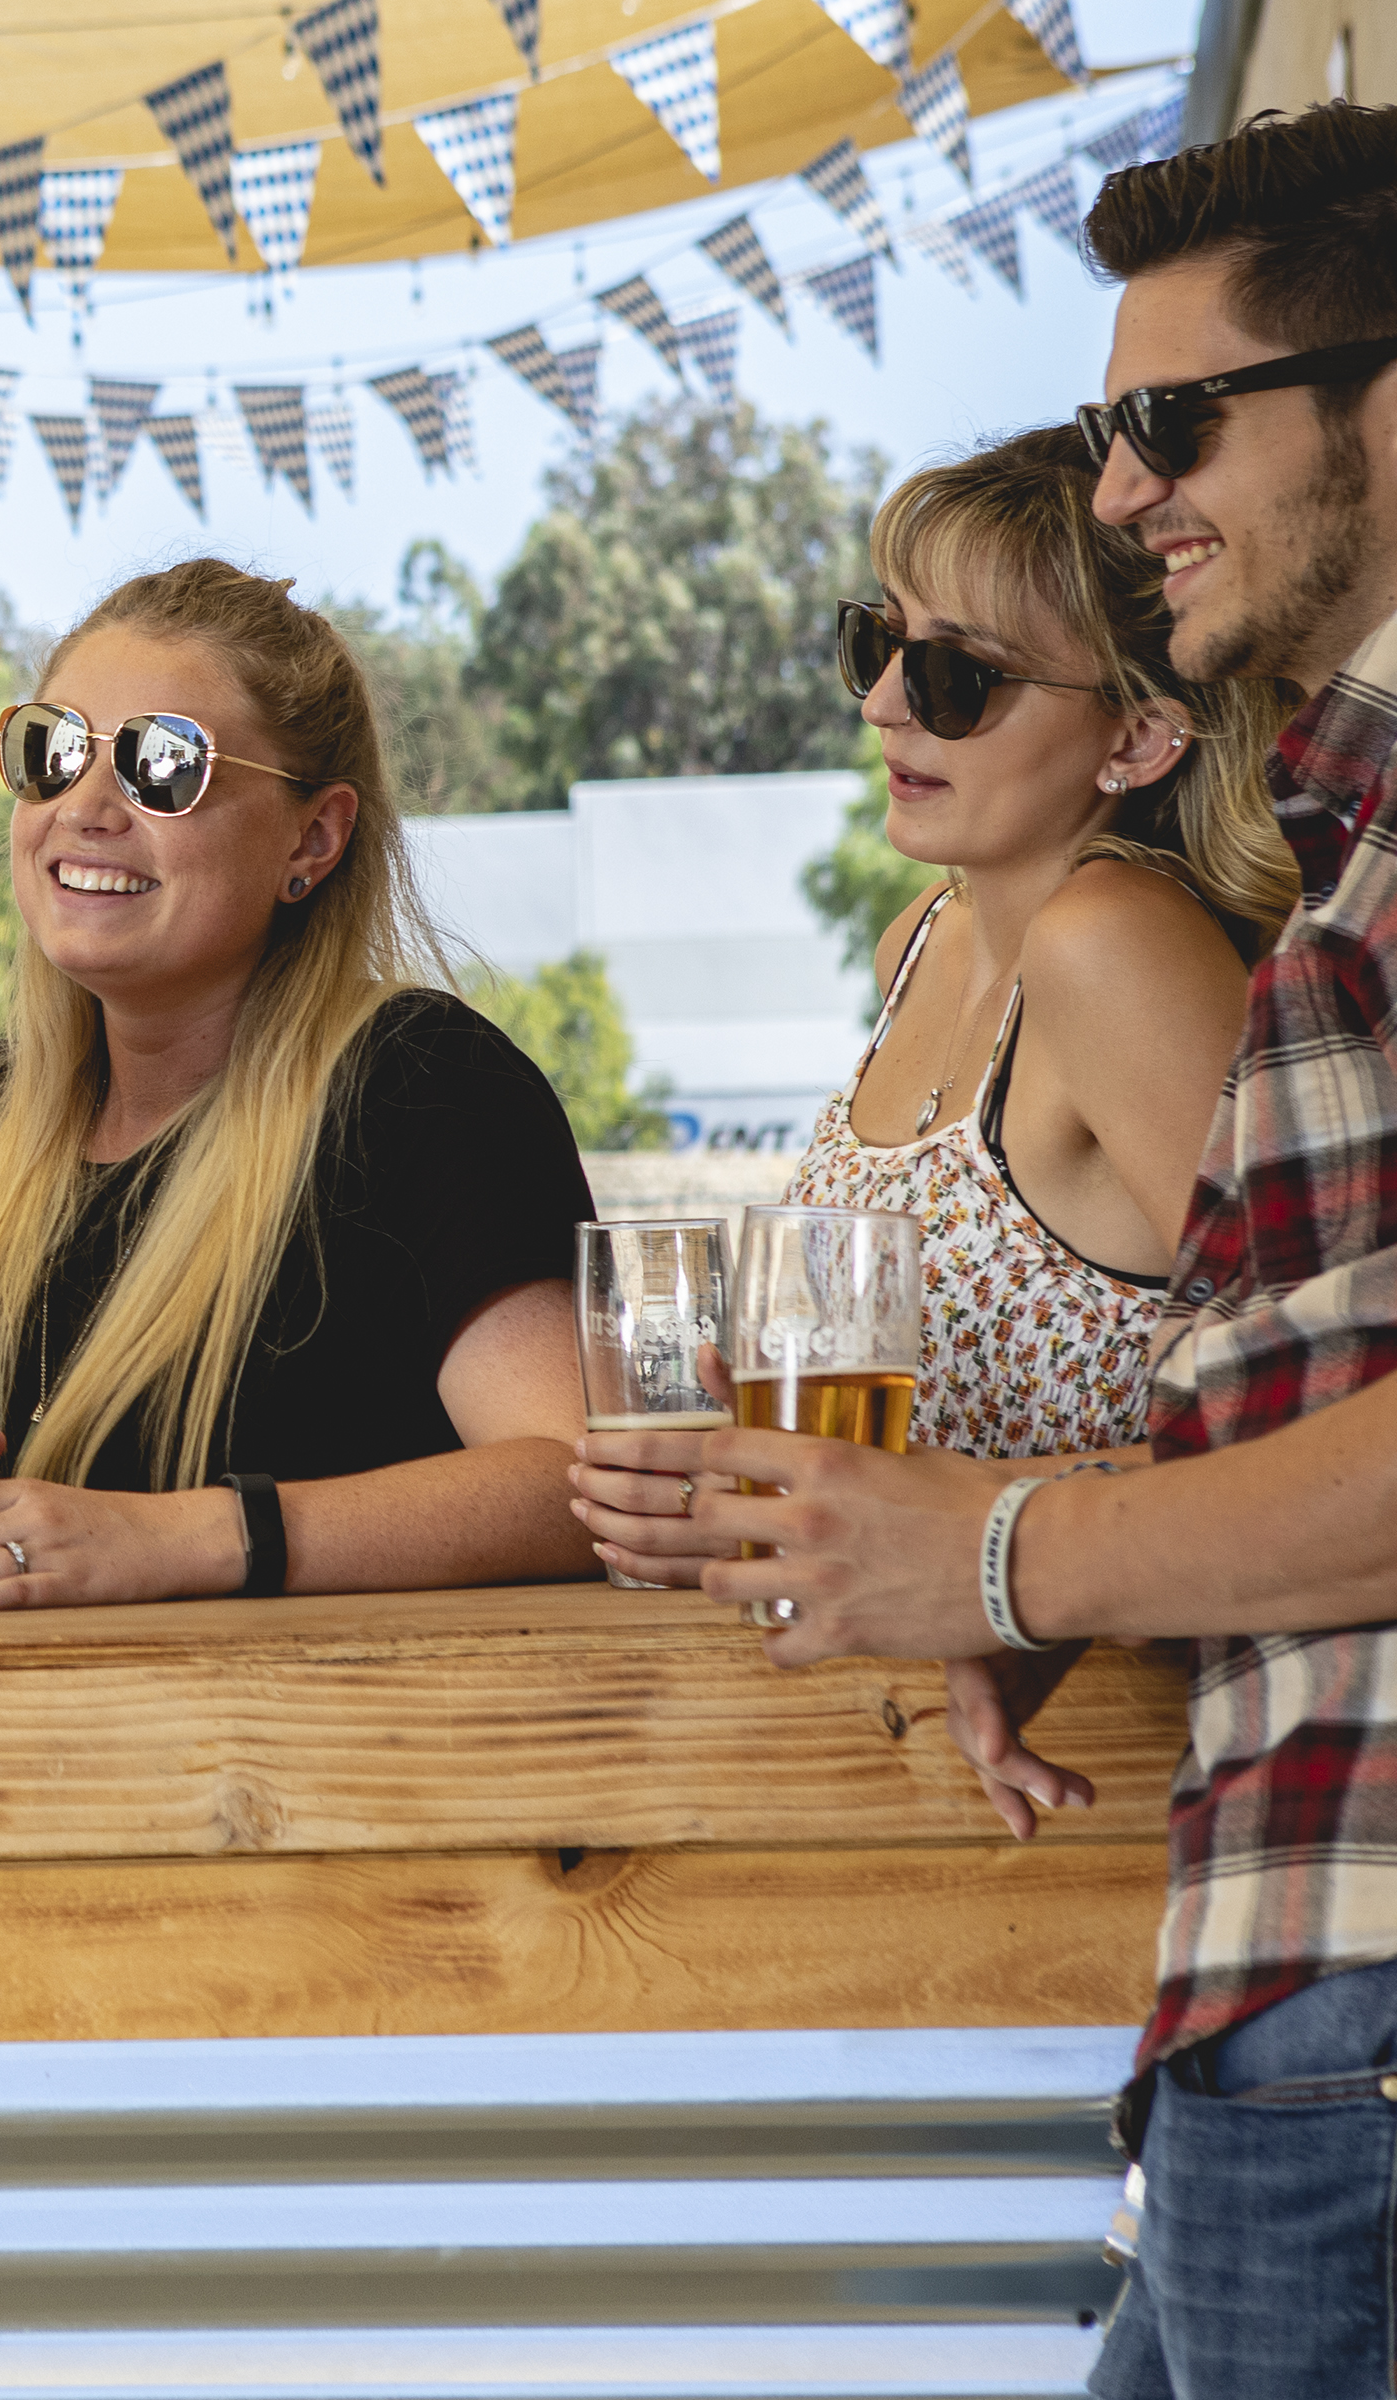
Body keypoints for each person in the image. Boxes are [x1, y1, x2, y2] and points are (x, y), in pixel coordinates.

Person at [671, 104, 1397, 2400]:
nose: (1118, 490)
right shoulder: (1345, 839)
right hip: (1275, 1942)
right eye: (1103, 435)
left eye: (1170, 423)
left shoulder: (1138, 930)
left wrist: (998, 1559)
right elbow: (1262, 1373)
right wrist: (990, 1564)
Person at [0, 560, 599, 1609]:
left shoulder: (422, 1089)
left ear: (315, 836)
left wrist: (181, 1537)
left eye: (166, 766)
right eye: (52, 751)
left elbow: (575, 1484)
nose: (86, 808)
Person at [576, 425, 1294, 1583]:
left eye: (962, 675)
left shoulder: (1109, 945)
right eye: (881, 641)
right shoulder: (919, 942)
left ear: (1141, 732)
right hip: (911, 1701)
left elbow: (1319, 1420)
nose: (886, 705)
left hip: (1104, 1703)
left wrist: (948, 1511)